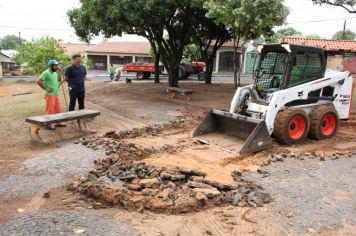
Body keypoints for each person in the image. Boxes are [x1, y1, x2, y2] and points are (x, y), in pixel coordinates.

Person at [37, 59, 66, 130]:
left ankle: (57, 123)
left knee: (57, 109)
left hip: (55, 94)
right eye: (56, 65)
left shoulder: (55, 73)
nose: (57, 67)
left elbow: (59, 79)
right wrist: (46, 88)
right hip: (50, 95)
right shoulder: (46, 72)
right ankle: (48, 124)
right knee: (50, 110)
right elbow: (38, 81)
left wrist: (59, 71)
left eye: (57, 65)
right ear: (51, 66)